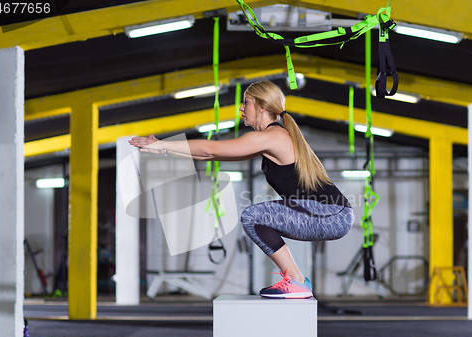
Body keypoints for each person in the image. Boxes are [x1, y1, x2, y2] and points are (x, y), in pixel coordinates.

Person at [129, 80, 353, 299]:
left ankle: (295, 279)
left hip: (331, 214)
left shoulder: (273, 136)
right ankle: (295, 279)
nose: (241, 108)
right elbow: (214, 154)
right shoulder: (270, 139)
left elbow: (209, 149)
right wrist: (165, 150)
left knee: (254, 216)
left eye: (246, 102)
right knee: (255, 217)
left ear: (262, 107)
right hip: (328, 213)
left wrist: (163, 144)